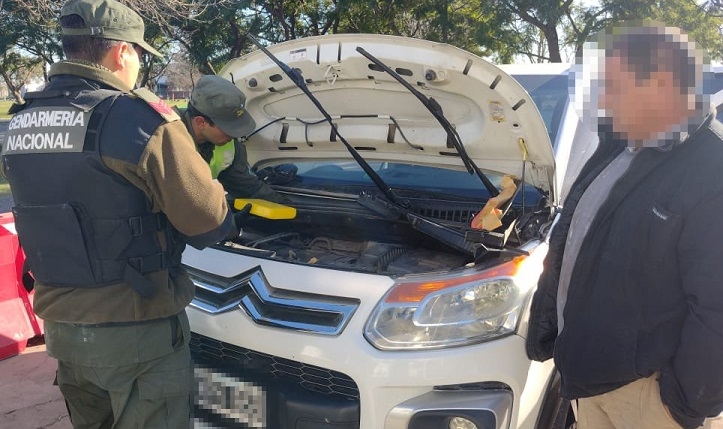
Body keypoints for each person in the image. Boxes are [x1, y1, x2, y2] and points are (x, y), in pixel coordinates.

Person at [1, 0, 239, 427]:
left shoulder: (22, 122)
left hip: (63, 329)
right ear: (122, 52)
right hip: (136, 330)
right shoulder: (140, 121)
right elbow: (207, 220)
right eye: (140, 54)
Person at [526, 22, 723, 429]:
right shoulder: (617, 146)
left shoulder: (713, 168)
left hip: (650, 402)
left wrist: (681, 405)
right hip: (587, 383)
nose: (603, 100)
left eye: (614, 86)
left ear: (663, 84)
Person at [175, 75, 287, 203]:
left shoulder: (229, 144)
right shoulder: (167, 137)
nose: (234, 135)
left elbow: (246, 185)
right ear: (201, 122)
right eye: (229, 129)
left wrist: (285, 205)